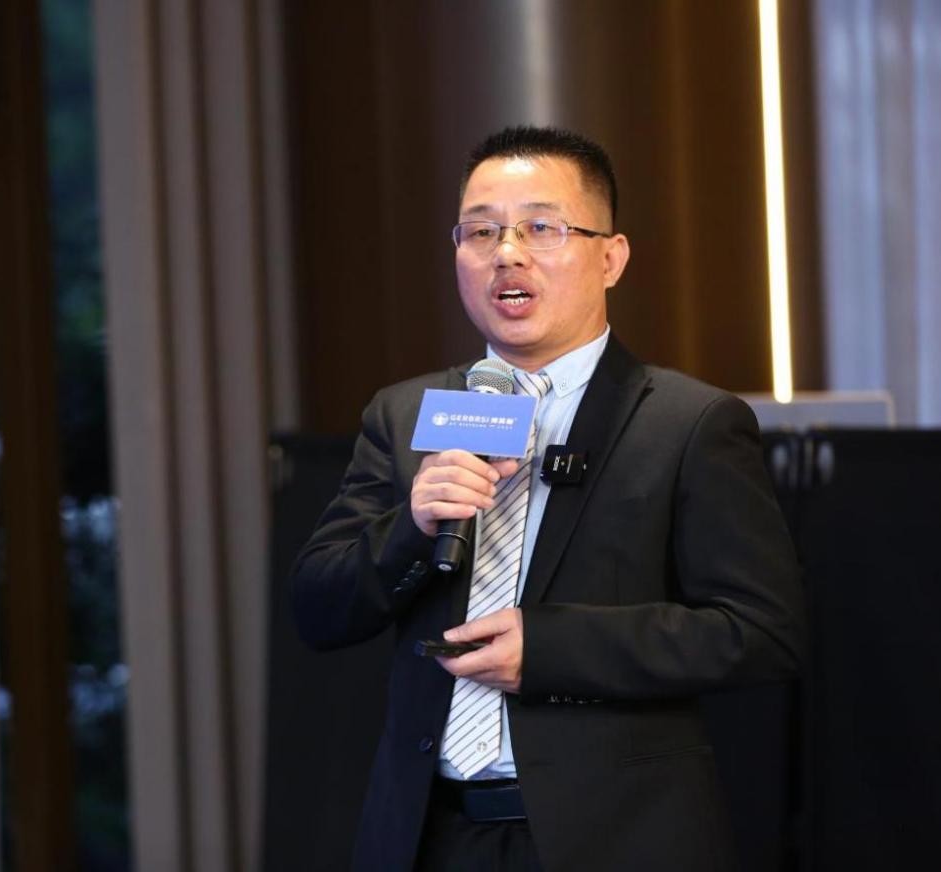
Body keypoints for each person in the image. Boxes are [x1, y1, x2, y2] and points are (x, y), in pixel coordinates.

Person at [290, 126, 804, 872]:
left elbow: (761, 631)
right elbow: (318, 607)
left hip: (613, 839)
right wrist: (412, 527)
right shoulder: (405, 414)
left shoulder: (687, 422)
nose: (507, 253)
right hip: (430, 837)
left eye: (541, 228)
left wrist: (552, 649)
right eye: (481, 232)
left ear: (610, 257)